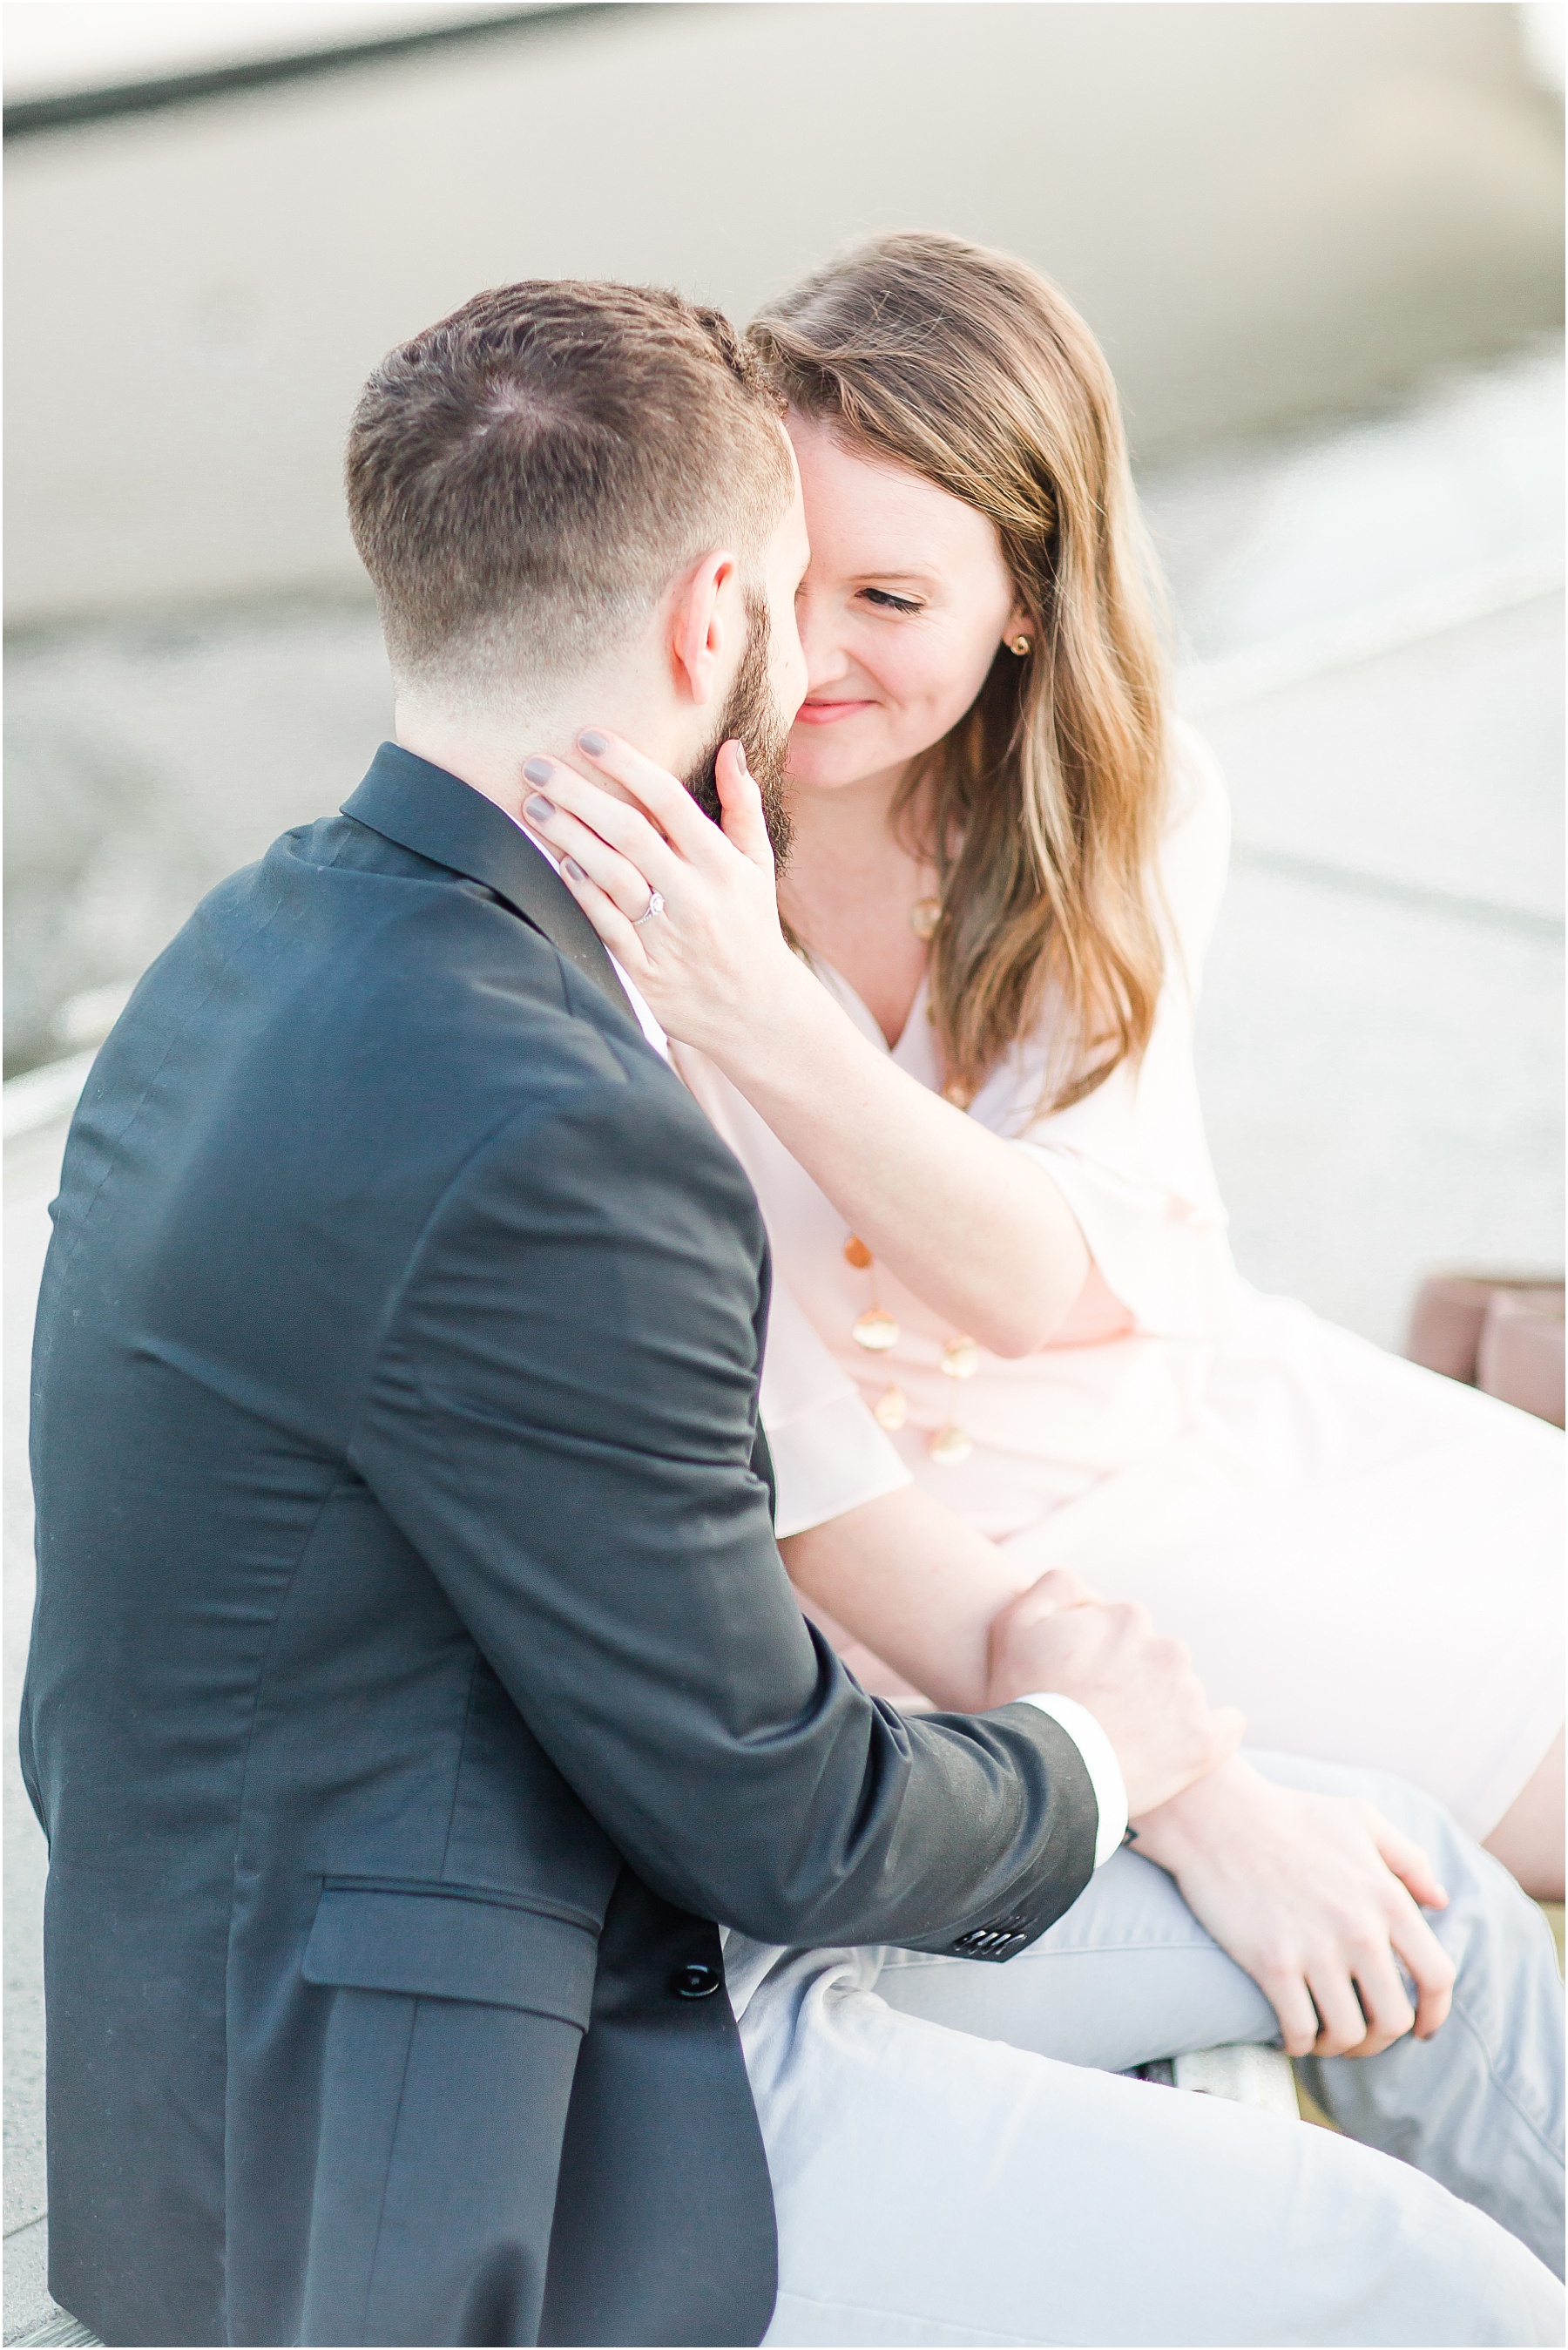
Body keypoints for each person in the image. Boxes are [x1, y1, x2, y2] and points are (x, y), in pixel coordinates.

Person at [20, 277, 1560, 2350]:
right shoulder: (563, 1111)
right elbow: (788, 1810)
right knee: (1423, 2284)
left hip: (606, 1902)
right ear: (707, 618)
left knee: (1414, 1876)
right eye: (793, 598)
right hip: (538, 2092)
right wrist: (1112, 1742)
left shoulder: (253, 946)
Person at [519, 229, 1565, 1902]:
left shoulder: (1126, 806)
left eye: (892, 599)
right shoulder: (623, 848)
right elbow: (766, 1419)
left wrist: (757, 1012)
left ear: (1023, 606)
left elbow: (1044, 1286)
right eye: (780, 581)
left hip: (1187, 1401)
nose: (814, 654)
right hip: (924, 1558)